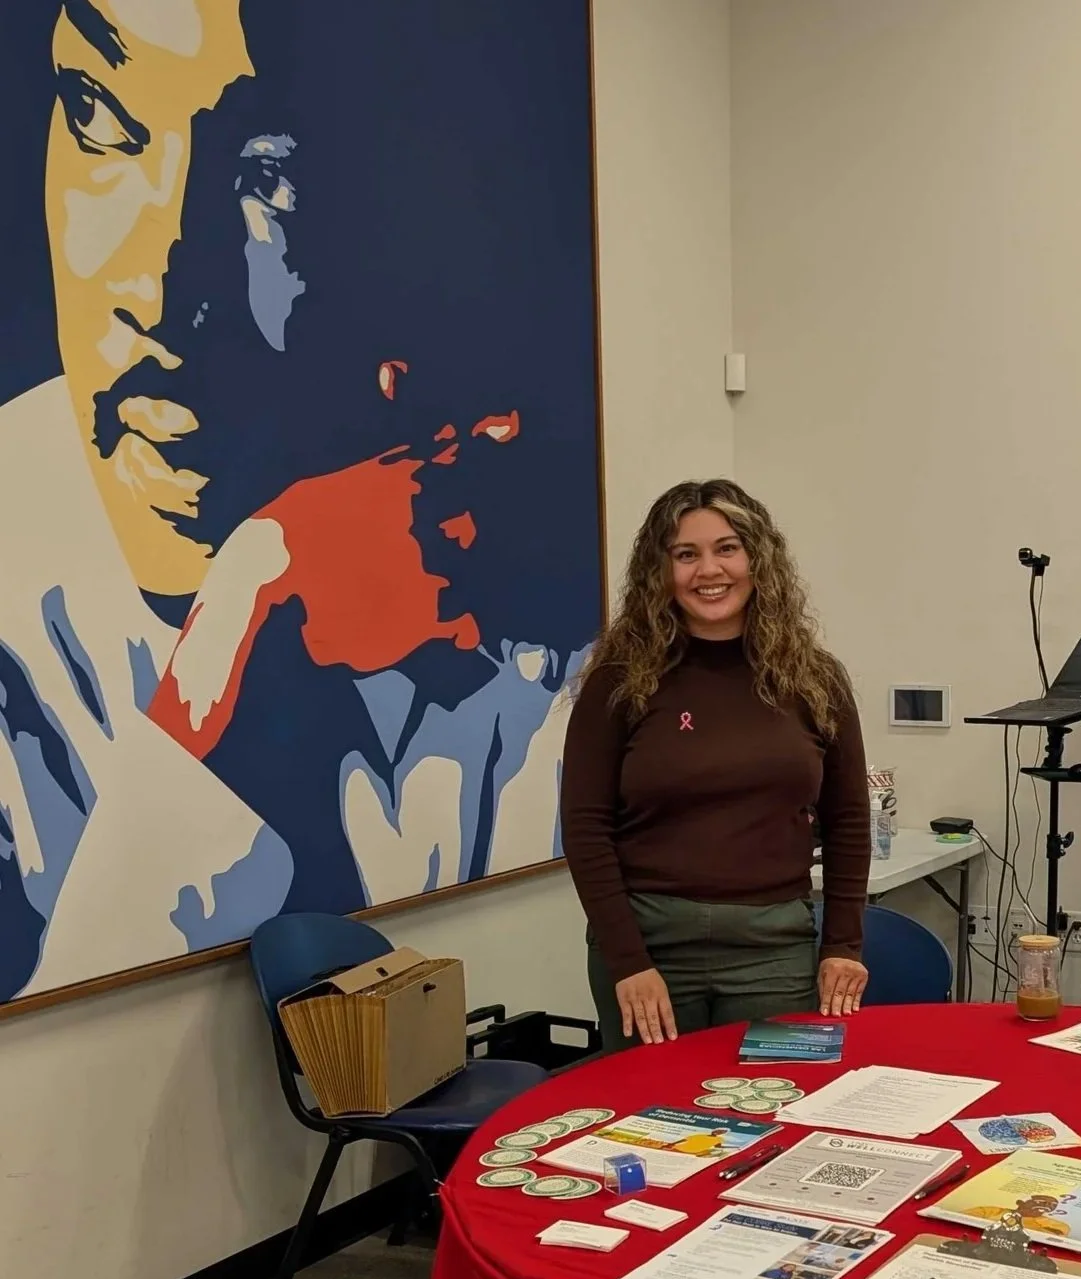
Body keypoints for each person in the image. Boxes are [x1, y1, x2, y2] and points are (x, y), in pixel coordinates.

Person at [0, 0, 598, 1000]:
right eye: (99, 116)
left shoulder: (512, 623)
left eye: (264, 174)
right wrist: (232, 632)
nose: (155, 282)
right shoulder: (25, 578)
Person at [561, 480, 871, 1047]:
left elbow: (850, 821)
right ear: (661, 570)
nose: (709, 570)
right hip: (648, 949)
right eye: (686, 554)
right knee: (649, 1122)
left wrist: (843, 946)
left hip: (774, 951)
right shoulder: (618, 681)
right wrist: (627, 960)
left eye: (727, 548)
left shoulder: (815, 680)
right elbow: (585, 828)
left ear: (759, 559)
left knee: (777, 1109)